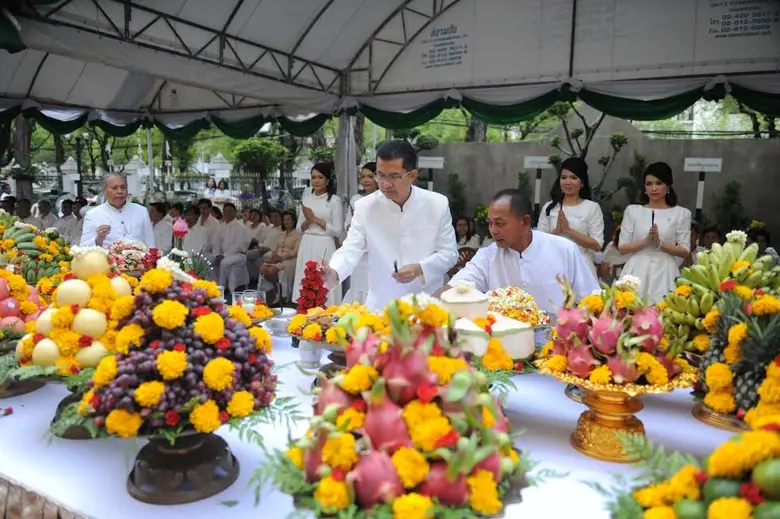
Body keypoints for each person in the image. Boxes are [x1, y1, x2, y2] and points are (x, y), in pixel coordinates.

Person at [324, 140, 458, 311]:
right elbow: (350, 248)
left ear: (412, 175)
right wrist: (334, 271)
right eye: (380, 175)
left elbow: (449, 253)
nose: (385, 184)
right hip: (381, 305)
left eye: (393, 176)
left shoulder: (436, 204)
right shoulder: (366, 207)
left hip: (426, 305)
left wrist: (420, 268)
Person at [435, 189, 599, 315]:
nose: (493, 231)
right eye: (490, 223)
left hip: (554, 343)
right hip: (502, 346)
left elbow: (592, 299)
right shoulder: (487, 256)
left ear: (525, 222)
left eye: (500, 223)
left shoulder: (564, 250)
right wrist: (425, 308)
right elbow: (455, 287)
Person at [618, 162, 691, 305]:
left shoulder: (681, 213)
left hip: (665, 269)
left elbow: (685, 250)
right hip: (636, 268)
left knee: (663, 311)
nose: (654, 188)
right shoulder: (633, 211)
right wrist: (645, 242)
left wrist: (659, 243)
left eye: (659, 183)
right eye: (649, 184)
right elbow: (622, 247)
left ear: (668, 186)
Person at [536, 157, 604, 277]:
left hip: (581, 264)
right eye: (563, 178)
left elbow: (597, 244)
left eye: (573, 178)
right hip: (553, 264)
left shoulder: (592, 208)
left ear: (582, 182)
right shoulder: (549, 207)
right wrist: (556, 232)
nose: (567, 182)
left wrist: (568, 230)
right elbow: (538, 241)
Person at [293, 161, 344, 306]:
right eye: (313, 177)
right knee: (306, 279)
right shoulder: (307, 199)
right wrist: (308, 220)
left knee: (324, 279)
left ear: (327, 180)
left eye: (320, 177)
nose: (316, 180)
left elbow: (338, 230)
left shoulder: (335, 200)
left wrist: (315, 219)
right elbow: (299, 229)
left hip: (325, 243)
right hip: (308, 242)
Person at [80, 174, 155, 249]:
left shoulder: (141, 211)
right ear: (104, 191)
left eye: (123, 187)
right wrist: (98, 239)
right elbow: (84, 249)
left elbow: (150, 244)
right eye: (114, 188)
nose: (120, 191)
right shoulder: (93, 215)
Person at [343, 162, 379, 305]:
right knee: (357, 288)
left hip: (376, 252)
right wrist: (353, 222)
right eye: (363, 176)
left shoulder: (385, 199)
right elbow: (347, 226)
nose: (365, 180)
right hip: (359, 254)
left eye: (370, 176)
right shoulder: (355, 199)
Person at [260, 211, 301, 304]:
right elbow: (275, 248)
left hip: (290, 259)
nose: (286, 222)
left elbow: (295, 252)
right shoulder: (281, 233)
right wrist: (274, 255)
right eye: (284, 220)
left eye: (288, 219)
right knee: (263, 268)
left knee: (271, 270)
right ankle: (273, 288)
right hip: (277, 258)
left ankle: (280, 296)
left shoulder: (298, 234)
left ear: (294, 221)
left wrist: (281, 258)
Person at [214, 203, 250, 297]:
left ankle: (221, 289)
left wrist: (224, 255)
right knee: (213, 260)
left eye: (230, 211)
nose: (228, 214)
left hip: (239, 255)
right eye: (225, 212)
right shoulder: (220, 227)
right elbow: (216, 242)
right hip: (224, 254)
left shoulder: (240, 227)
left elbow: (239, 245)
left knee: (224, 263)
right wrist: (217, 254)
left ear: (235, 213)